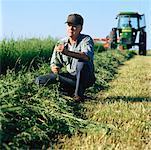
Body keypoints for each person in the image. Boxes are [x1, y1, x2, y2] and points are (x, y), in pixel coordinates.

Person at [35, 13, 96, 102]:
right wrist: (55, 68)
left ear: (80, 28)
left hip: (85, 78)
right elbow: (54, 63)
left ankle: (78, 95)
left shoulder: (86, 40)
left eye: (74, 26)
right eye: (69, 25)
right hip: (70, 78)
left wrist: (67, 52)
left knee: (81, 63)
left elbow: (86, 56)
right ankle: (68, 91)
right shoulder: (61, 43)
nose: (71, 28)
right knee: (40, 80)